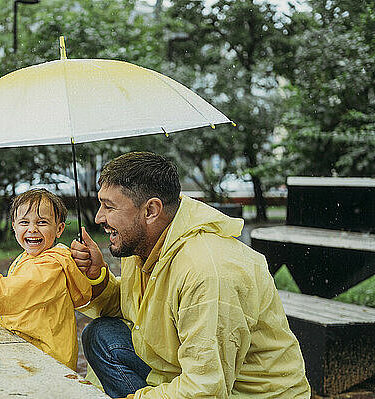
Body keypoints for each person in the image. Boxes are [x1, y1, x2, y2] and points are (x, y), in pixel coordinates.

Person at [70, 152, 311, 398]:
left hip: (240, 393)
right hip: (185, 372)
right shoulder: (145, 243)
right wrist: (98, 277)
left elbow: (205, 389)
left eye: (109, 207)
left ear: (151, 210)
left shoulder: (208, 272)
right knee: (100, 335)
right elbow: (139, 310)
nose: (99, 217)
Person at [0, 188, 91, 370]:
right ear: (14, 226)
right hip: (24, 348)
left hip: (44, 356)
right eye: (24, 222)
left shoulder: (53, 265)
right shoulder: (27, 256)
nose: (32, 229)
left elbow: (22, 289)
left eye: (42, 222)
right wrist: (1, 279)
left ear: (59, 228)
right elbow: (20, 286)